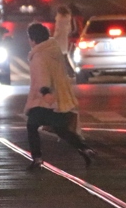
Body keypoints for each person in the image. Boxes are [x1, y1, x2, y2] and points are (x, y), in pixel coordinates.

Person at [23, 22, 95, 171]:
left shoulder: (39, 56)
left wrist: (45, 92)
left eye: (29, 38)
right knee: (61, 128)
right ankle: (84, 148)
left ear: (33, 39)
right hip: (59, 97)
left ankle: (37, 158)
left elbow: (42, 76)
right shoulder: (53, 51)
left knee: (32, 126)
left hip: (44, 100)